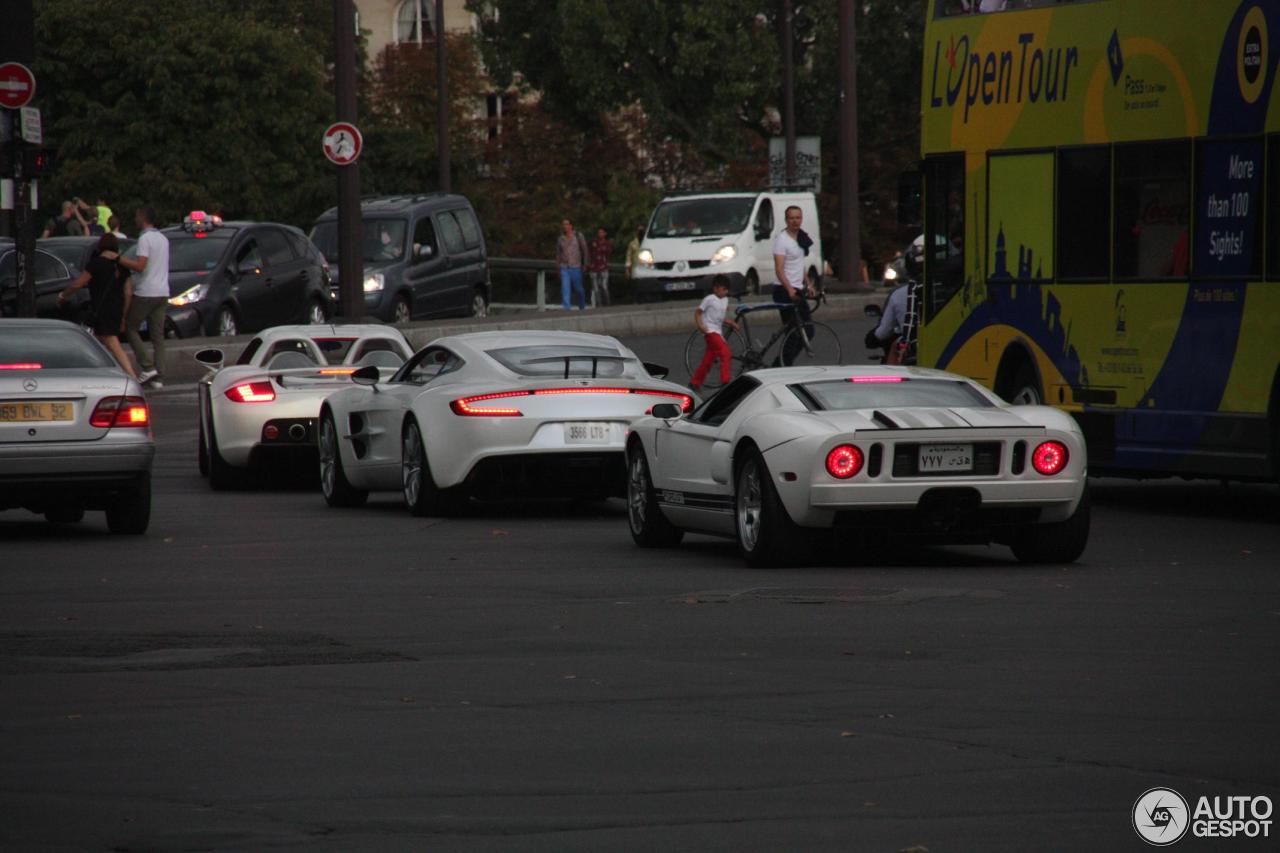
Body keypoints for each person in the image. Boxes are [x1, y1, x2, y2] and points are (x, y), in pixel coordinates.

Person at [55, 233, 137, 378]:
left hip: (101, 308)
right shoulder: (122, 265)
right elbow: (129, 291)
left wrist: (63, 295)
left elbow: (78, 283)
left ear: (101, 246)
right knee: (99, 340)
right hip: (117, 307)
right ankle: (108, 371)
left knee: (112, 342)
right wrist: (124, 314)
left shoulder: (95, 263)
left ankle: (131, 375)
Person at [119, 206, 170, 387]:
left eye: (136, 216)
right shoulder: (163, 239)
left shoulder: (145, 239)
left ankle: (148, 367)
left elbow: (140, 266)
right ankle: (159, 377)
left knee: (131, 327)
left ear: (142, 217)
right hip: (163, 292)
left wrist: (119, 259)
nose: (135, 219)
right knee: (158, 336)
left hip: (146, 292)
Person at [772, 205, 816, 365]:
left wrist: (809, 284)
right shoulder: (782, 240)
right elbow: (779, 269)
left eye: (798, 217)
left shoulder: (801, 238)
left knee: (809, 330)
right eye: (792, 218)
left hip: (797, 289)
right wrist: (789, 288)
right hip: (783, 290)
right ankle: (781, 365)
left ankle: (781, 363)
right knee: (793, 332)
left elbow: (799, 264)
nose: (795, 221)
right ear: (786, 220)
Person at [689, 274, 740, 391]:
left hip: (718, 333)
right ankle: (725, 382)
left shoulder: (725, 300)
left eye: (726, 290)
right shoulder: (709, 299)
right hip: (710, 332)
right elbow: (697, 312)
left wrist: (731, 323)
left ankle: (695, 383)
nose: (725, 292)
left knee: (708, 360)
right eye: (723, 289)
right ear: (716, 288)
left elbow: (720, 317)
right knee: (726, 353)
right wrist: (700, 325)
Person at [864, 282, 911, 364]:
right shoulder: (936, 288)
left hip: (911, 349)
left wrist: (871, 337)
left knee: (894, 348)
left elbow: (883, 332)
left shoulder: (899, 294)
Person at [555, 219, 589, 310]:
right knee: (565, 288)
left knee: (579, 289)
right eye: (563, 225)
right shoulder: (561, 239)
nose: (565, 226)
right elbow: (558, 253)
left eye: (566, 224)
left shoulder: (578, 236)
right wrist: (558, 267)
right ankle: (567, 309)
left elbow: (584, 250)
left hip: (576, 266)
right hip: (564, 267)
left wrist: (585, 264)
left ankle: (582, 306)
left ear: (571, 226)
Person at [588, 227, 612, 307]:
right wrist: (589, 264)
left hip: (603, 267)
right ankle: (599, 304)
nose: (600, 234)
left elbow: (609, 252)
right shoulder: (593, 243)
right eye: (599, 232)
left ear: (605, 234)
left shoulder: (607, 244)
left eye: (602, 232)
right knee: (595, 288)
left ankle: (607, 303)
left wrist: (600, 248)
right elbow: (589, 254)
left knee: (604, 286)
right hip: (594, 267)